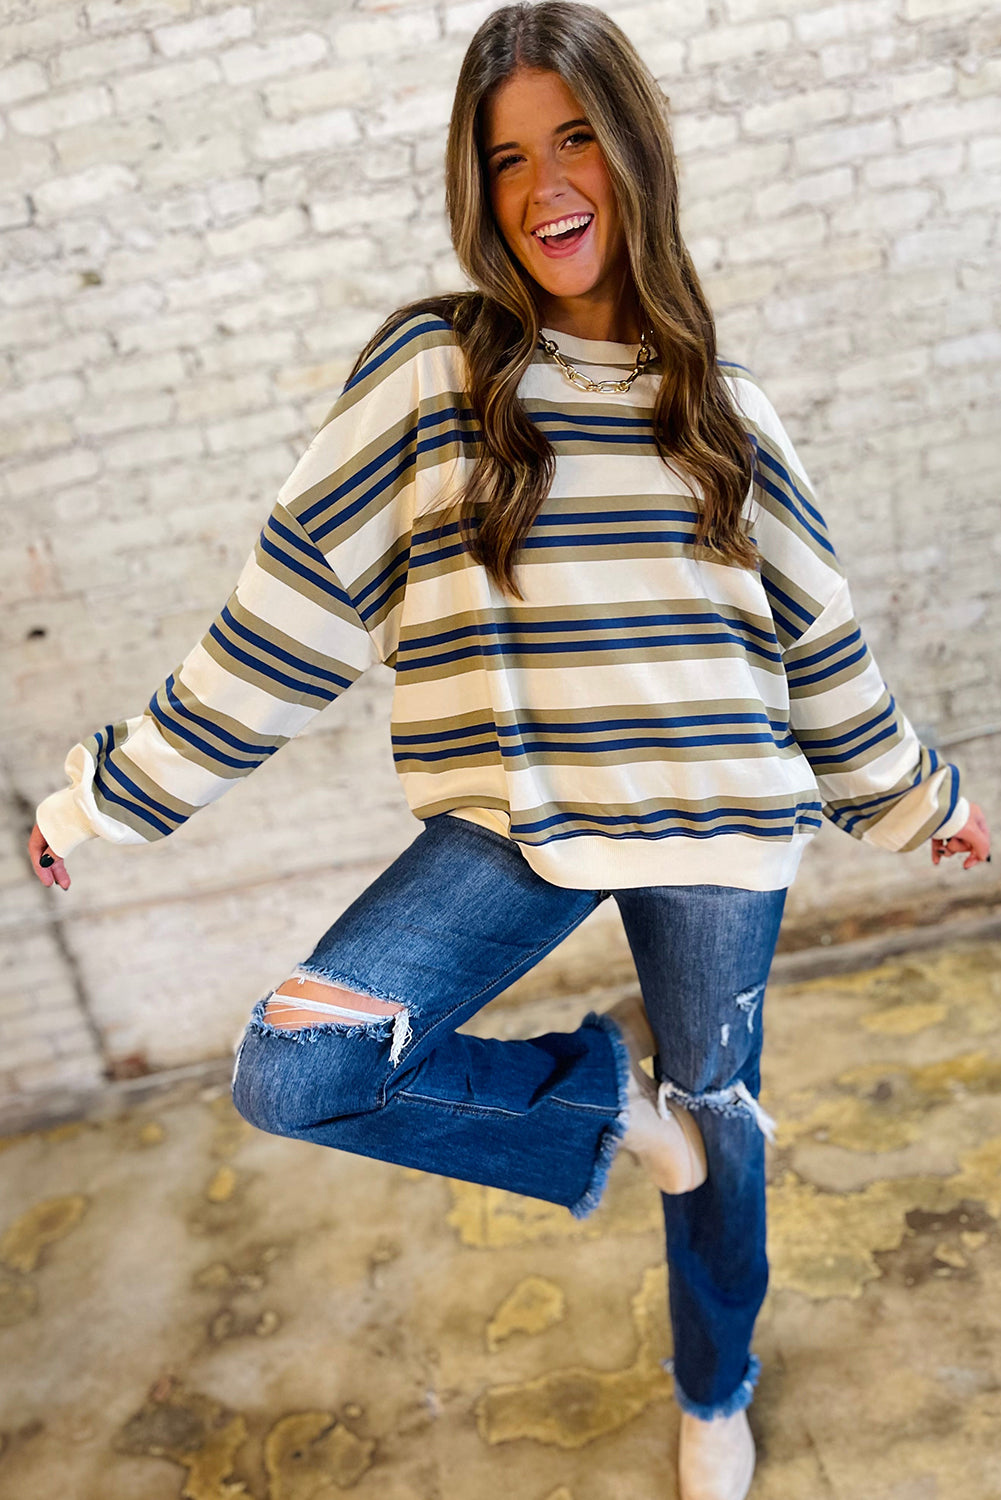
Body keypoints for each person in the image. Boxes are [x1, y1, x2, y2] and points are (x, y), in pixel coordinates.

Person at [28, 4, 991, 1497]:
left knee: (725, 1125)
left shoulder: (726, 416)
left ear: (632, 153)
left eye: (574, 139)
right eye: (505, 158)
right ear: (476, 193)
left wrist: (921, 800)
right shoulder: (440, 373)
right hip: (518, 821)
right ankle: (618, 1116)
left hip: (720, 830)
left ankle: (715, 1380)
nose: (545, 184)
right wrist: (106, 797)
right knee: (298, 1069)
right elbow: (281, 622)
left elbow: (821, 661)